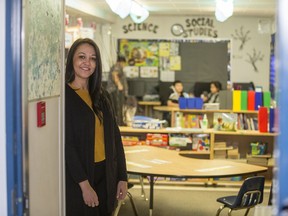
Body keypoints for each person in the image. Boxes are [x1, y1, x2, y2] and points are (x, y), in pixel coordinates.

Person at [65, 38, 127, 216]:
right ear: (72, 60)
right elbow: (68, 146)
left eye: (93, 58)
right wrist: (84, 186)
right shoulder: (65, 98)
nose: (87, 63)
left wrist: (122, 176)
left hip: (106, 172)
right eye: (81, 57)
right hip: (81, 176)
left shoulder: (102, 95)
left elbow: (115, 137)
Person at [106, 55, 128, 126]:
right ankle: (119, 123)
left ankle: (119, 122)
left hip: (114, 91)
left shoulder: (116, 66)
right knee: (118, 107)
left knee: (117, 107)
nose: (124, 65)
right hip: (115, 90)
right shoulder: (118, 66)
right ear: (122, 62)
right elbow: (114, 74)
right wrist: (119, 85)